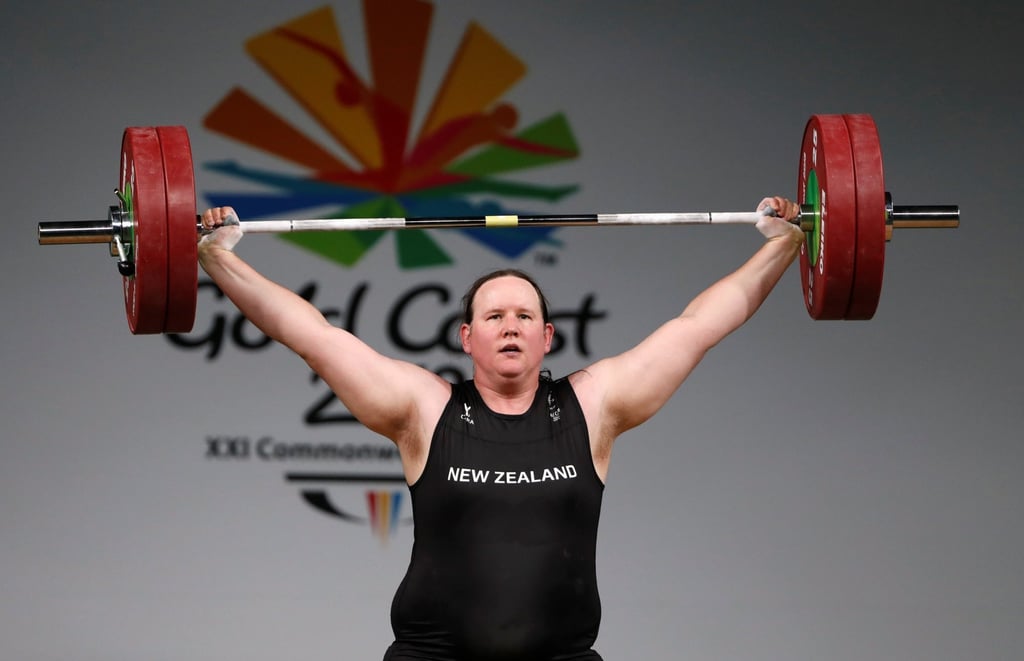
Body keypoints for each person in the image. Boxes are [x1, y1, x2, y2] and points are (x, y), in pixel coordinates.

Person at [198, 196, 803, 661]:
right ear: (467, 338)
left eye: (524, 315)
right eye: (493, 315)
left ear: (547, 337)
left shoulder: (594, 405)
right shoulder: (423, 409)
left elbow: (698, 325)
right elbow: (311, 335)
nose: (509, 325)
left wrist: (785, 242)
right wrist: (216, 257)